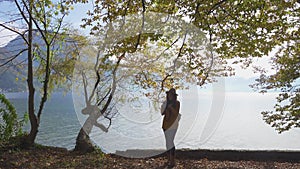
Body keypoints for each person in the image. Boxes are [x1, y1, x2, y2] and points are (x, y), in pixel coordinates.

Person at [161, 88, 180, 168]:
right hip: (165, 125)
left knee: (170, 142)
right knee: (167, 142)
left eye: (171, 95)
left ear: (174, 96)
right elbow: (162, 113)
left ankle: (172, 161)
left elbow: (176, 113)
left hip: (173, 125)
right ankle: (169, 159)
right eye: (169, 94)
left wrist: (171, 107)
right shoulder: (165, 103)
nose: (170, 96)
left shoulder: (177, 103)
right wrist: (165, 106)